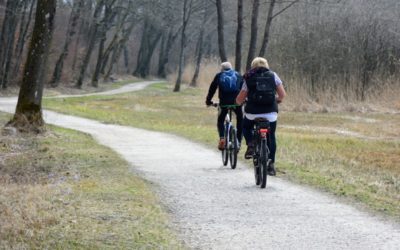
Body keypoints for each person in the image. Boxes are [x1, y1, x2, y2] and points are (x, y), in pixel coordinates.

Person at [235, 57, 286, 176]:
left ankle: (251, 143)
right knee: (271, 135)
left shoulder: (248, 77)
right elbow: (282, 95)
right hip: (270, 114)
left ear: (253, 66)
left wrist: (238, 102)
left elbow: (240, 99)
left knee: (246, 127)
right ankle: (271, 164)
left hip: (252, 113)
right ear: (266, 65)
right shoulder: (273, 75)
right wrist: (276, 100)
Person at [206, 62, 244, 150]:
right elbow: (244, 88)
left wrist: (208, 101)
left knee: (221, 120)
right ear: (231, 68)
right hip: (236, 102)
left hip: (224, 102)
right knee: (240, 118)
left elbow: (212, 89)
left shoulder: (219, 75)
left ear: (222, 69)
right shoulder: (238, 75)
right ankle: (238, 140)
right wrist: (244, 100)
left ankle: (222, 138)